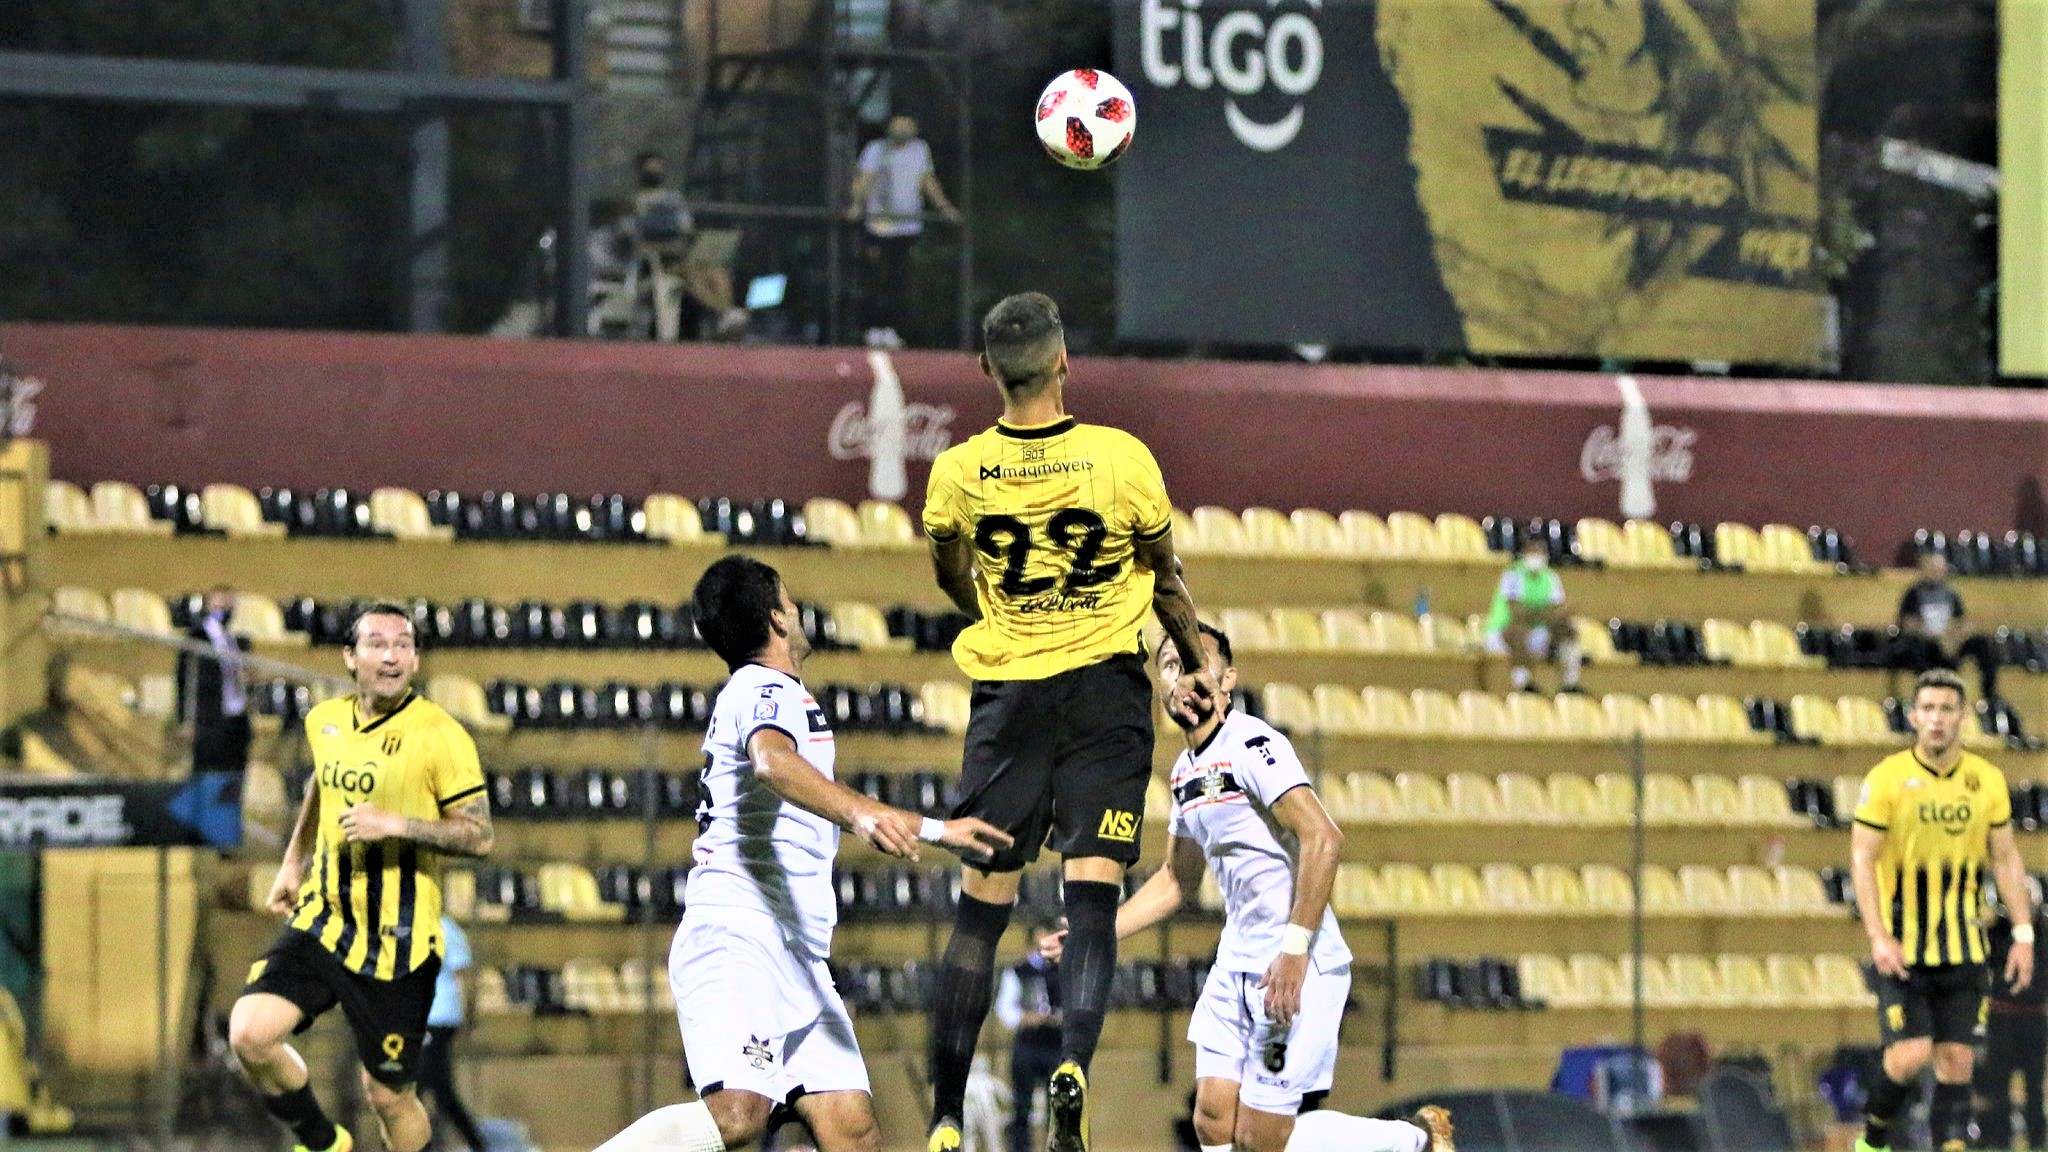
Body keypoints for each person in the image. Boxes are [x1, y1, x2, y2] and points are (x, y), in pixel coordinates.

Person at [920, 291, 1216, 1152]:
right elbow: (1165, 579)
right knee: (1091, 898)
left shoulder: (959, 473)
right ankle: (1074, 1063)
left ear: (985, 372)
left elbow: (951, 575)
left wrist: (1000, 612)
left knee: (980, 912)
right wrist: (1196, 662)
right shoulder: (1122, 458)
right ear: (1064, 363)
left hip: (1010, 697)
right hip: (1104, 693)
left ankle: (943, 1118)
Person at [595, 555, 1010, 1152]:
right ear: (777, 618)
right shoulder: (765, 688)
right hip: (742, 935)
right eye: (789, 600)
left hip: (796, 953)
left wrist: (939, 832)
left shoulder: (764, 692)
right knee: (738, 1115)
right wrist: (861, 814)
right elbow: (772, 762)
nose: (797, 609)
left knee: (852, 1128)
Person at [1040, 624, 1454, 1152]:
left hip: (1297, 963)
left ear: (1226, 679)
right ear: (1160, 685)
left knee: (1262, 1139)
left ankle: (1414, 1140)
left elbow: (1323, 839)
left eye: (1195, 662)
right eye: (1170, 664)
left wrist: (1294, 952)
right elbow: (1176, 880)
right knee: (1212, 1120)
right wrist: (1097, 932)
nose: (1182, 675)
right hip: (1237, 962)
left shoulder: (1253, 745)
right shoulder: (1185, 772)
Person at [228, 604, 495, 1152]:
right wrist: (292, 859)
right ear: (350, 657)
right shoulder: (323, 721)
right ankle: (325, 1144)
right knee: (250, 1036)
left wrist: (396, 824)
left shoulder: (442, 737)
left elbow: (479, 835)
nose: (392, 655)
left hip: (397, 945)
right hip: (324, 920)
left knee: (389, 1097)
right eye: (377, 643)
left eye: (404, 644)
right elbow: (322, 786)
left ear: (416, 659)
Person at [1851, 669, 2034, 1152]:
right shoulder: (1887, 779)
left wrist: (2023, 933)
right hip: (1903, 945)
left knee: (1957, 1060)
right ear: (1913, 716)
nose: (1936, 719)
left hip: (1964, 946)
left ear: (1963, 717)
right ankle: (1871, 1140)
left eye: (1946, 709)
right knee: (1910, 1055)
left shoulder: (1986, 781)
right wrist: (1876, 937)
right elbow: (1862, 859)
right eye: (1928, 709)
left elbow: (2005, 857)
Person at [845, 115, 962, 349]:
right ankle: (873, 328)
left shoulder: (920, 150)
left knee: (899, 280)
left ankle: (893, 329)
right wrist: (857, 204)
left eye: (907, 125)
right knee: (876, 278)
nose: (902, 129)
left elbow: (927, 180)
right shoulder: (876, 149)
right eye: (898, 124)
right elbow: (864, 179)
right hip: (879, 225)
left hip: (906, 226)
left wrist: (944, 207)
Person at [627, 150, 745, 340]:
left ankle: (727, 314)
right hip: (657, 264)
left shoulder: (674, 200)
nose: (655, 172)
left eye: (658, 168)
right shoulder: (635, 203)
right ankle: (721, 314)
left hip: (683, 256)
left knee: (716, 273)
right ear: (640, 172)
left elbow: (687, 228)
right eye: (650, 169)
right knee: (692, 275)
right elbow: (635, 242)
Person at [1977, 887, 2048, 1152]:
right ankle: (2000, 1142)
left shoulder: (2043, 932)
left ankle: (2037, 1141)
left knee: (2034, 1087)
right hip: (2003, 1017)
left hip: (2035, 1018)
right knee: (1999, 1086)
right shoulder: (1999, 931)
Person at [993, 917, 1063, 1152]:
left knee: (1060, 1109)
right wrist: (1028, 1018)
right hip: (1027, 1046)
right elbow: (1005, 1010)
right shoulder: (1018, 971)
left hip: (1056, 1045)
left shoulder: (1062, 972)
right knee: (1021, 1107)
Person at [1895, 551, 2000, 702]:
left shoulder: (1951, 594)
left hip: (1949, 642)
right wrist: (1935, 637)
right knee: (1918, 648)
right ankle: (1929, 696)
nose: (1936, 573)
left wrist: (1954, 639)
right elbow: (1907, 624)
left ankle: (1990, 697)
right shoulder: (1913, 594)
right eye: (1932, 569)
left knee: (1983, 644)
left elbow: (1960, 622)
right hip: (1926, 642)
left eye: (1939, 569)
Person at [421, 915, 488, 1152]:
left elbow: (463, 979)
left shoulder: (445, 929)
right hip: (426, 1019)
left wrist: (467, 1018)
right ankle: (476, 1144)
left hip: (439, 1017)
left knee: (420, 1086)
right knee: (437, 1088)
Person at [1482, 536, 1582, 693]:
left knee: (1568, 629)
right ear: (1524, 554)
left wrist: (1538, 615)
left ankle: (1570, 683)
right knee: (1518, 631)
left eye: (1540, 551)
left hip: (1537, 633)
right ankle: (1523, 684)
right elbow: (1517, 613)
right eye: (1532, 551)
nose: (1536, 555)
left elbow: (1563, 610)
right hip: (1501, 636)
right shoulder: (1513, 575)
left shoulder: (1550, 577)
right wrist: (1546, 614)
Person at [179, 586, 253, 775]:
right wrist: (186, 719)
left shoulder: (237, 641)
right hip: (209, 720)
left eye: (228, 606)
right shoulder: (197, 638)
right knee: (208, 775)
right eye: (218, 606)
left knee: (233, 776)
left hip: (236, 719)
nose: (223, 611)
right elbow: (186, 681)